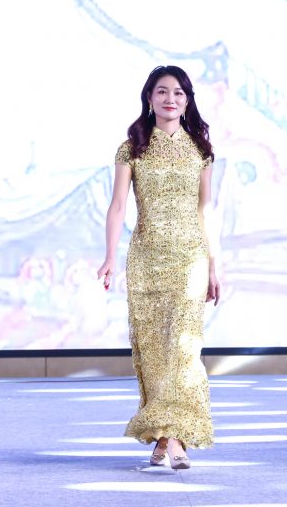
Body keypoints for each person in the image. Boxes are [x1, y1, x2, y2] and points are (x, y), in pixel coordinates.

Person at [97, 65, 221, 469]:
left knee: (183, 349)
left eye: (179, 92)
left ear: (187, 101)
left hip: (190, 259)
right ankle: (164, 436)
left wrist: (214, 266)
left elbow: (206, 211)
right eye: (163, 91)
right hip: (146, 258)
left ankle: (175, 439)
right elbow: (118, 205)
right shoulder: (131, 147)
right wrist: (109, 256)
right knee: (153, 351)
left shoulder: (201, 150)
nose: (171, 98)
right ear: (149, 98)